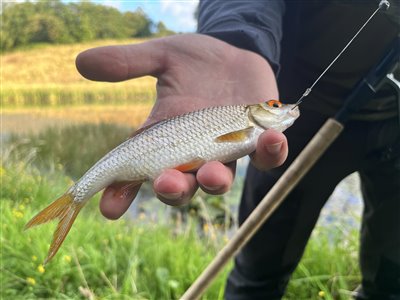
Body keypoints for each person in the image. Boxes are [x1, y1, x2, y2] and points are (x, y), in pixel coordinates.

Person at [75, 1, 400, 299]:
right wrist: (237, 35)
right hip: (310, 111)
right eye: (274, 107)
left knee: (392, 274)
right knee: (260, 265)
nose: (280, 109)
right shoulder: (254, 123)